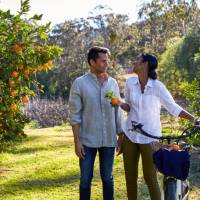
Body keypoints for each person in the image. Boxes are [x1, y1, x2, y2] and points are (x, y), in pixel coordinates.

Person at [115, 53, 199, 200]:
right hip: (130, 134)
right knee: (130, 178)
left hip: (150, 138)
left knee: (150, 177)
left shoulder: (157, 87)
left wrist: (194, 119)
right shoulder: (130, 83)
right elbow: (129, 107)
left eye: (138, 60)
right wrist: (120, 104)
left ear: (145, 64)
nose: (134, 62)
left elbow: (173, 107)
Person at [69, 46, 123, 200]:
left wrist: (121, 135)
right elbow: (75, 115)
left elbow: (117, 110)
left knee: (108, 177)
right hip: (87, 141)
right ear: (92, 62)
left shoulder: (112, 83)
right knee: (85, 179)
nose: (106, 64)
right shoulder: (79, 84)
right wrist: (77, 142)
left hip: (108, 140)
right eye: (102, 61)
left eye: (107, 61)